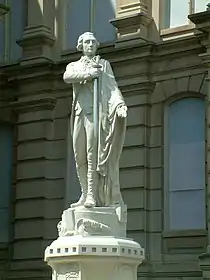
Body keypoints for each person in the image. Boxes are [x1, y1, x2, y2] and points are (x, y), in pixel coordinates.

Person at [63, 32, 127, 208]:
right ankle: (84, 193)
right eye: (86, 42)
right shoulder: (74, 65)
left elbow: (112, 87)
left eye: (93, 42)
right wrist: (89, 74)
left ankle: (91, 194)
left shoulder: (104, 65)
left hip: (95, 115)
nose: (90, 44)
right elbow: (67, 76)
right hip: (79, 114)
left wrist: (120, 104)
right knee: (79, 155)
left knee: (93, 155)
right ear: (81, 46)